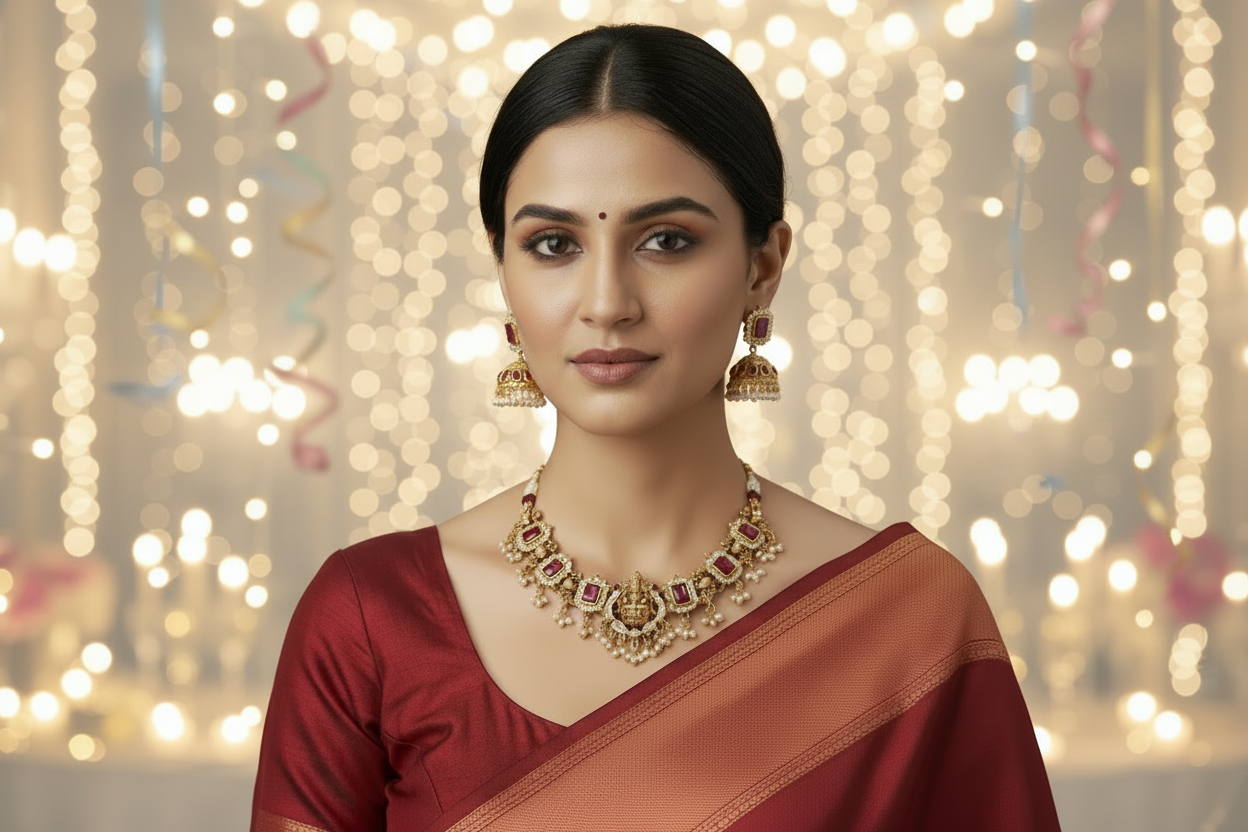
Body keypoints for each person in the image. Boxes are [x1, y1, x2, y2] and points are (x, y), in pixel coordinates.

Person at [251, 24, 1060, 832]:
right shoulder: (373, 620)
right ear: (504, 270)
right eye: (554, 244)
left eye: (666, 241)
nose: (607, 301)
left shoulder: (908, 621)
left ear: (763, 266)